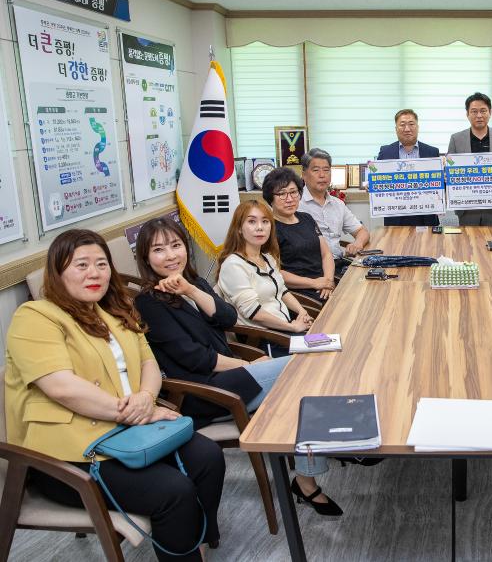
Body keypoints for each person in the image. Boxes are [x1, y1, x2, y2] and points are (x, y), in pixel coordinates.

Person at [4, 229, 224, 560]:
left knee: (208, 457)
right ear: (57, 271)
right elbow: (61, 386)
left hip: (128, 431)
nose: (94, 273)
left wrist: (147, 398)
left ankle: (196, 543)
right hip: (67, 457)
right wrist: (139, 413)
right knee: (174, 491)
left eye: (101, 264)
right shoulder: (35, 317)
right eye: (81, 265)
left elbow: (149, 364)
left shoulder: (114, 313)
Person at [134, 217, 341, 516]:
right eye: (158, 249)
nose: (170, 255)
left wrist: (191, 291)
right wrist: (247, 363)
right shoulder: (149, 302)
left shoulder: (193, 284)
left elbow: (228, 318)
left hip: (231, 376)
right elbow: (196, 359)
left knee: (309, 375)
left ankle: (309, 474)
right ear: (145, 257)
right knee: (307, 370)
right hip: (203, 391)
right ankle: (311, 475)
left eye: (176, 245)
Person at [216, 199, 314, 349]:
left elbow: (282, 291)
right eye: (252, 222)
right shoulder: (233, 265)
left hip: (284, 329)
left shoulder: (267, 258)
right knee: (325, 352)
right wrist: (292, 327)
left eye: (265, 221)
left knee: (332, 340)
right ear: (239, 228)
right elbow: (254, 313)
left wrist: (302, 312)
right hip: (265, 338)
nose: (260, 227)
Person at [263, 167, 336, 302]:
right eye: (282, 194)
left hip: (324, 283)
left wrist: (328, 281)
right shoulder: (268, 228)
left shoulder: (306, 218)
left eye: (293, 192)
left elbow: (326, 254)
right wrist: (314, 283)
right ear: (270, 198)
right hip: (300, 293)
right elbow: (274, 271)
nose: (289, 199)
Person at [298, 147, 370, 276]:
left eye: (326, 170)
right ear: (304, 175)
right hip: (312, 269)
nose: (322, 175)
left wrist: (357, 243)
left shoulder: (337, 204)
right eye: (316, 170)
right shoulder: (295, 204)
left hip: (338, 263)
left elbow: (362, 231)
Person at [448, 92, 492, 226]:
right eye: (474, 111)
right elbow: (450, 164)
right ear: (467, 114)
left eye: (483, 111)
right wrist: (447, 163)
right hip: (467, 206)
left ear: (490, 112)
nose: (479, 115)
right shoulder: (456, 139)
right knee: (467, 239)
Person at [377, 108, 441, 227]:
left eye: (411, 124)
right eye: (402, 125)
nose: (407, 129)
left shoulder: (432, 152)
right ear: (396, 128)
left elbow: (439, 184)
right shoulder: (385, 152)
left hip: (425, 217)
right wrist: (371, 185)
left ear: (417, 127)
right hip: (395, 218)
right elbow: (378, 179)